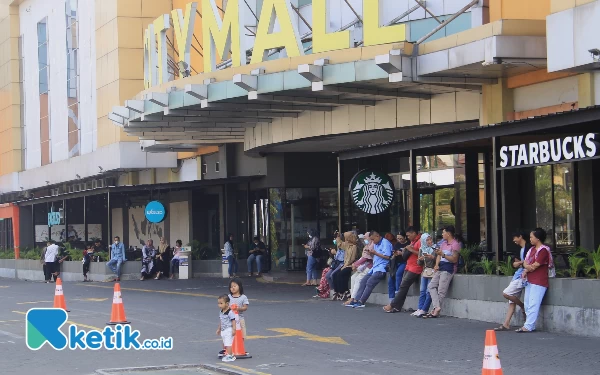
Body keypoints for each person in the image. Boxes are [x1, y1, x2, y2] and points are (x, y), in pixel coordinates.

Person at [516, 228, 554, 333]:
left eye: (531, 237)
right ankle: (529, 325)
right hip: (529, 280)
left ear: (537, 238)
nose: (530, 239)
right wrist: (527, 266)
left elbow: (535, 265)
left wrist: (527, 266)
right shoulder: (532, 250)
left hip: (539, 281)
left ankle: (528, 326)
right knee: (527, 303)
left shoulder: (543, 250)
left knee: (533, 303)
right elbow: (526, 263)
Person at [494, 230, 529, 331]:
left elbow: (527, 262)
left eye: (515, 237)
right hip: (518, 274)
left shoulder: (528, 248)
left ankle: (522, 306)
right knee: (511, 301)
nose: (514, 240)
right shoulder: (519, 249)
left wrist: (521, 263)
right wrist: (521, 263)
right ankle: (506, 323)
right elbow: (514, 263)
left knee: (506, 293)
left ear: (520, 236)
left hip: (523, 276)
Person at [348, 231, 392, 308]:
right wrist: (370, 253)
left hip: (382, 268)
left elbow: (388, 257)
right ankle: (356, 300)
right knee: (363, 281)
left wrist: (375, 253)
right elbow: (375, 255)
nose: (372, 241)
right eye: (371, 240)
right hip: (375, 267)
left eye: (373, 239)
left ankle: (362, 301)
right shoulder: (375, 243)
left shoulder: (385, 243)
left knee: (369, 282)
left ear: (377, 236)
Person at [425, 226, 461, 318]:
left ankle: (435, 310)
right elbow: (438, 255)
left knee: (441, 290)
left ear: (448, 234)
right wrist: (436, 264)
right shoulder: (443, 243)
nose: (442, 234)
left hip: (449, 269)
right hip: (440, 267)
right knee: (431, 286)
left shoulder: (455, 244)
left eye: (443, 232)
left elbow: (454, 259)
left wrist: (443, 255)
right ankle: (437, 307)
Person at [383, 227, 422, 313]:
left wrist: (410, 249)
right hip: (408, 265)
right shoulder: (413, 241)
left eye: (408, 235)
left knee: (403, 286)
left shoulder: (420, 241)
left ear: (413, 233)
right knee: (403, 286)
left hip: (415, 267)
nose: (407, 237)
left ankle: (392, 304)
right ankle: (397, 307)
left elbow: (422, 254)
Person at [344, 232, 374, 306]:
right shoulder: (367, 245)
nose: (364, 239)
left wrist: (355, 264)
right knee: (353, 277)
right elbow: (362, 257)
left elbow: (365, 258)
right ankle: (352, 297)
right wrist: (356, 264)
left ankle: (354, 299)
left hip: (370, 266)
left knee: (358, 279)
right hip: (363, 266)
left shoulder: (372, 245)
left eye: (365, 238)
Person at [412, 233, 436, 317]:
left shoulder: (435, 248)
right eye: (427, 240)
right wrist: (421, 259)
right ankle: (420, 308)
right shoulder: (422, 249)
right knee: (422, 290)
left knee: (428, 291)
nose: (430, 241)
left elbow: (438, 260)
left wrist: (432, 257)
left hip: (432, 271)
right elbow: (418, 263)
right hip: (425, 271)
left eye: (430, 239)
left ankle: (424, 309)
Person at [332, 232, 358, 301]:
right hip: (345, 264)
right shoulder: (347, 245)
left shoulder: (354, 246)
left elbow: (352, 258)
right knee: (335, 274)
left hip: (350, 265)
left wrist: (345, 265)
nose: (345, 238)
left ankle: (343, 291)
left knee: (341, 274)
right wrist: (337, 237)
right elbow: (340, 244)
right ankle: (338, 291)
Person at [216, 294, 237, 362]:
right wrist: (219, 329)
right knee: (225, 343)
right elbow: (221, 321)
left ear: (227, 304)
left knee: (228, 344)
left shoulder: (230, 312)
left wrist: (234, 329)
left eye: (221, 303)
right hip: (223, 330)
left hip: (229, 329)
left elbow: (233, 321)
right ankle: (227, 353)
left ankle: (230, 356)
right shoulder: (221, 312)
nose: (219, 305)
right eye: (218, 303)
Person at [385, 233, 405, 303]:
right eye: (398, 238)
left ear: (405, 237)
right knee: (391, 279)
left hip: (404, 262)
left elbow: (408, 254)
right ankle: (391, 298)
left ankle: (397, 293)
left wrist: (402, 253)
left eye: (401, 238)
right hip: (396, 262)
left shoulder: (408, 244)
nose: (399, 240)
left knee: (398, 274)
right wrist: (394, 254)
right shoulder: (396, 244)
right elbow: (392, 254)